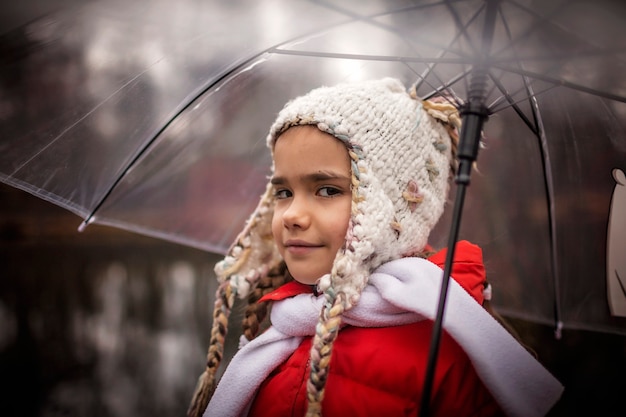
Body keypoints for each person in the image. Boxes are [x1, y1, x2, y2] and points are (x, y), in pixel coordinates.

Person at [187, 78, 563, 417]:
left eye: (328, 190)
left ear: (396, 206)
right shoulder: (287, 324)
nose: (292, 214)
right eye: (284, 192)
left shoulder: (451, 353)